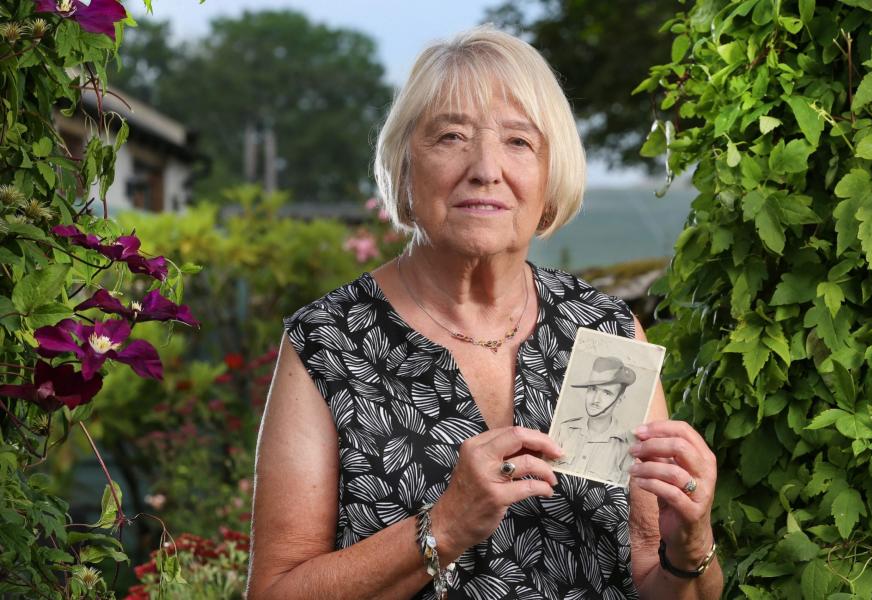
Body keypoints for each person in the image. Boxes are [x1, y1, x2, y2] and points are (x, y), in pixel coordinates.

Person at [247, 25, 722, 599]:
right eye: (451, 136)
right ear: (404, 170)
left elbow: (656, 576)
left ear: (550, 178)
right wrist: (442, 528)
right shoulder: (329, 343)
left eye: (519, 142)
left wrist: (689, 547)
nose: (485, 168)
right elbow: (275, 592)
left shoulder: (606, 332)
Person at [554, 356, 637, 485]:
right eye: (593, 389)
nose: (596, 399)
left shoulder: (627, 446)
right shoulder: (564, 430)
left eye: (606, 393)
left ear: (619, 400)